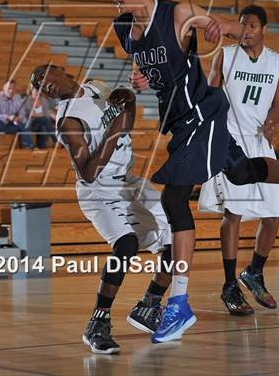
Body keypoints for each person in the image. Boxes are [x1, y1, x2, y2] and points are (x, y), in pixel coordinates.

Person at [111, 0, 279, 343]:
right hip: (180, 122)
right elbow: (148, 68)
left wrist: (219, 27)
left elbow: (228, 27)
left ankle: (176, 303)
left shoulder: (176, 13)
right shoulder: (123, 27)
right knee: (241, 173)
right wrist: (140, 78)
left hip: (203, 115)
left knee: (175, 201)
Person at [31, 65, 173, 354]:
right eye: (39, 86)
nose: (44, 86)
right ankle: (98, 322)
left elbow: (126, 123)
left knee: (179, 239)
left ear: (59, 70)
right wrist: (113, 132)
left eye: (44, 77)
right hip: (100, 193)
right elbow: (88, 172)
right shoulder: (68, 120)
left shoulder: (97, 86)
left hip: (129, 183)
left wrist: (130, 103)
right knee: (126, 245)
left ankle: (149, 305)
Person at [199, 5, 279, 315]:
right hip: (231, 140)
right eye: (242, 25)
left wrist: (272, 121)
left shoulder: (276, 61)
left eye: (252, 25)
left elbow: (277, 105)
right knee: (233, 213)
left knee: (274, 215)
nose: (246, 30)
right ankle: (229, 283)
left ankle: (255, 272)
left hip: (261, 143)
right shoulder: (225, 54)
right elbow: (209, 95)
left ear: (263, 29)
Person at [0, 80, 33, 149]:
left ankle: (28, 147)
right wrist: (7, 117)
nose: (11, 91)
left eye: (13, 89)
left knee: (25, 123)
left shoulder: (17, 98)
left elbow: (22, 114)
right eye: (9, 88)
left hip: (9, 125)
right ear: (3, 88)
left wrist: (19, 118)